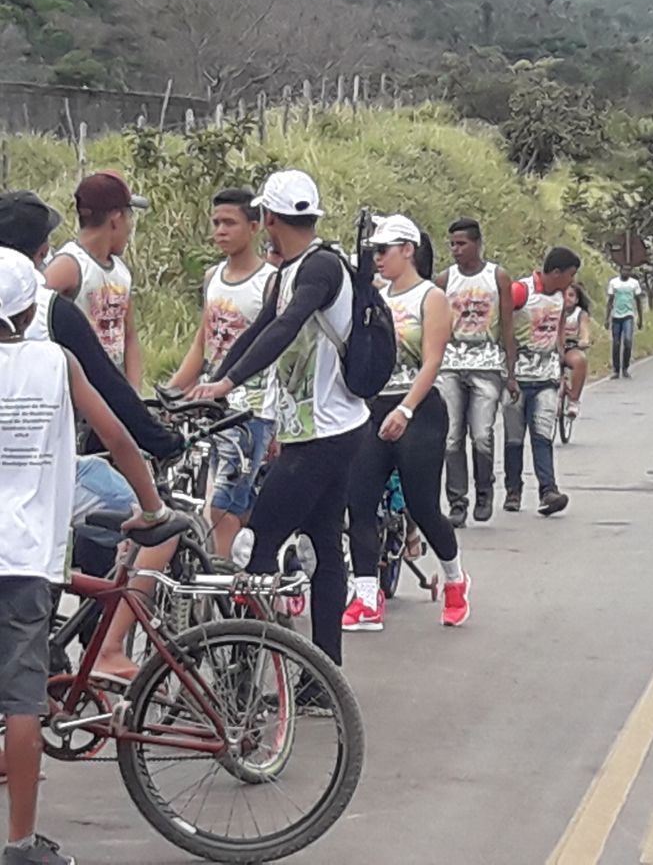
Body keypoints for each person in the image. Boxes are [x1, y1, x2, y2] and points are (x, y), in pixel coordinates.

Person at [0, 247, 170, 865]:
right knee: (23, 701)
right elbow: (119, 436)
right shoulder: (55, 361)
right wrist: (151, 508)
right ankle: (20, 843)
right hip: (25, 558)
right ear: (28, 310)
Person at [191, 169, 368, 679]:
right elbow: (263, 327)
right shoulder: (292, 269)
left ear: (268, 217)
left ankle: (244, 675)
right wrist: (215, 381)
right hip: (322, 429)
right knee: (323, 541)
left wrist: (226, 385)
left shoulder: (321, 269)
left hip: (325, 434)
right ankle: (323, 675)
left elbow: (287, 326)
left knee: (257, 545)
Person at [0, 191, 183, 678]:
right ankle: (107, 646)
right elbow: (113, 400)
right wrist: (164, 442)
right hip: (47, 481)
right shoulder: (51, 314)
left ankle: (67, 640)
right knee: (149, 524)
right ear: (38, 252)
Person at [343, 215, 468, 632]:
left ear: (408, 250)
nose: (378, 258)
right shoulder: (372, 296)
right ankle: (365, 596)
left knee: (422, 505)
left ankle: (454, 578)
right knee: (359, 504)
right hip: (372, 407)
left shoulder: (430, 297)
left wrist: (407, 409)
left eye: (385, 250)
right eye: (373, 251)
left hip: (418, 409)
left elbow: (433, 360)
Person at [167, 188, 276, 559]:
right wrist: (173, 392)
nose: (220, 231)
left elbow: (279, 351)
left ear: (254, 225)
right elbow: (203, 343)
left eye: (229, 222)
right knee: (212, 498)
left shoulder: (272, 281)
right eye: (216, 223)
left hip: (253, 409)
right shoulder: (213, 276)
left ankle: (225, 586)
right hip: (209, 404)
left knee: (224, 504)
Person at [434, 218, 517, 528]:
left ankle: (484, 490)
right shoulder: (444, 280)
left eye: (461, 243)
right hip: (451, 364)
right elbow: (436, 326)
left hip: (487, 363)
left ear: (478, 243)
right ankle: (457, 500)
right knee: (452, 436)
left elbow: (507, 326)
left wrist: (511, 372)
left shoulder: (497, 277)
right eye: (452, 244)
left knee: (482, 434)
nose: (456, 250)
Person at [42, 171, 148, 389]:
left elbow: (129, 336)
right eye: (129, 217)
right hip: (78, 392)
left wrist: (133, 394)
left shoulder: (120, 271)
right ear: (116, 219)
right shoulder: (70, 266)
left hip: (114, 389)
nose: (130, 227)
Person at [504, 247, 579, 516]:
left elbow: (559, 326)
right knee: (514, 438)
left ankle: (548, 490)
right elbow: (502, 321)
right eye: (569, 275)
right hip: (517, 377)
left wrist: (560, 358)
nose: (571, 282)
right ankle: (513, 489)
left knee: (542, 434)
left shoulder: (559, 297)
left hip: (547, 376)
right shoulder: (521, 291)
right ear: (556, 272)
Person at [606, 263, 644, 379]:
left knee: (628, 341)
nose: (626, 273)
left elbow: (638, 301)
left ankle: (625, 367)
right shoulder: (614, 283)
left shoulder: (634, 283)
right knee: (616, 343)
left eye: (628, 271)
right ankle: (616, 370)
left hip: (628, 316)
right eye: (624, 270)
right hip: (616, 316)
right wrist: (607, 318)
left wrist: (640, 318)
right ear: (620, 270)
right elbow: (610, 301)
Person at [560, 283, 591, 418]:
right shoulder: (553, 309)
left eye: (571, 295)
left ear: (577, 299)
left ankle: (573, 400)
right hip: (553, 348)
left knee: (580, 360)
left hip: (570, 348)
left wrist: (584, 340)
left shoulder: (580, 314)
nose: (567, 298)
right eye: (563, 295)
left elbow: (584, 330)